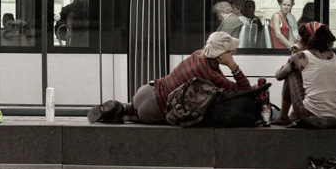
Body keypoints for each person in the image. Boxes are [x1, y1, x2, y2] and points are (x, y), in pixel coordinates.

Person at [88, 32, 252, 125]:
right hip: (156, 107)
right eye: (231, 52)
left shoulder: (198, 55)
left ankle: (121, 108)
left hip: (147, 91)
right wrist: (233, 66)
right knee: (172, 115)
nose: (233, 54)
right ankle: (124, 116)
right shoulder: (210, 74)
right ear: (222, 55)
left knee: (138, 107)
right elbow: (244, 90)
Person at [274, 22, 336, 124]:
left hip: (310, 113)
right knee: (306, 75)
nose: (297, 39)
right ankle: (292, 115)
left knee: (291, 72)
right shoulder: (334, 56)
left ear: (305, 39)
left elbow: (279, 75)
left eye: (300, 36)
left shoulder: (300, 56)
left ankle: (283, 116)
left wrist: (295, 56)